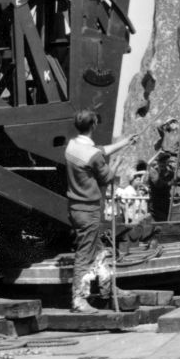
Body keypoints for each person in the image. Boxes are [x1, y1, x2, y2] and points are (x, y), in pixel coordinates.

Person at [65, 110, 134, 312]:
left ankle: (107, 288)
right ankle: (78, 300)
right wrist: (118, 165)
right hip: (89, 210)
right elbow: (106, 178)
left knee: (99, 251)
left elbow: (98, 151)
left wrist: (124, 142)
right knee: (85, 255)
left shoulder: (72, 146)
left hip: (75, 208)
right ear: (94, 125)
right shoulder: (93, 155)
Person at [147, 151, 176, 221]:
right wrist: (170, 183)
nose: (163, 164)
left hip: (166, 202)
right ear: (158, 162)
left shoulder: (170, 173)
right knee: (160, 220)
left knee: (166, 219)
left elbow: (178, 180)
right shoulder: (154, 172)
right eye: (162, 162)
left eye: (165, 162)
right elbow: (158, 184)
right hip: (156, 203)